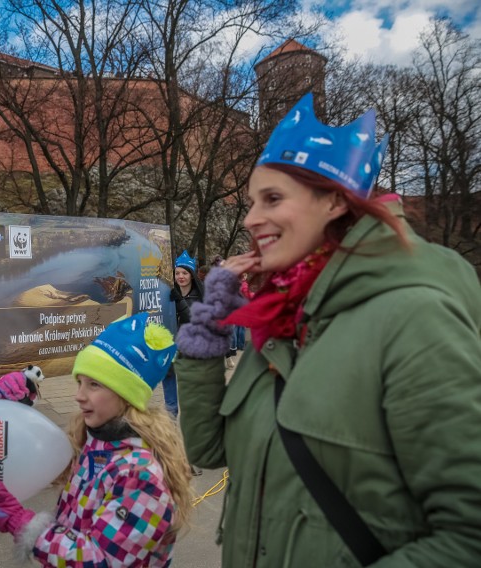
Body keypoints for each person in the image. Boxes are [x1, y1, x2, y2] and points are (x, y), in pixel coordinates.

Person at [174, 93, 481, 567]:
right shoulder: (281, 320)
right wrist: (208, 329)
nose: (251, 219)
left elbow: (468, 537)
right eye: (252, 201)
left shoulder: (413, 315)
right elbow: (209, 449)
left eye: (272, 198)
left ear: (335, 201)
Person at [0, 312, 194, 566]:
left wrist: (25, 525)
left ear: (126, 393)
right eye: (79, 382)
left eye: (94, 385)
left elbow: (100, 560)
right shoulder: (95, 442)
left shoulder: (140, 475)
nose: (78, 396)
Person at [162, 250, 203, 416]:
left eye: (185, 273)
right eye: (177, 272)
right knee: (169, 378)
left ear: (191, 275)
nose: (180, 276)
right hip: (169, 346)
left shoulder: (201, 296)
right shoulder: (166, 293)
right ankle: (171, 418)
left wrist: (179, 301)